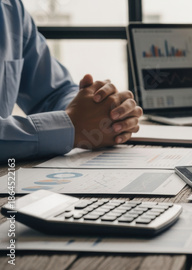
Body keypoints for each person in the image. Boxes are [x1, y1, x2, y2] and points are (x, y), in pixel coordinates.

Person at [0, 0, 142, 161]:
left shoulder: (11, 9)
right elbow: (73, 121)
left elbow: (54, 93)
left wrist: (100, 108)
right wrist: (71, 126)